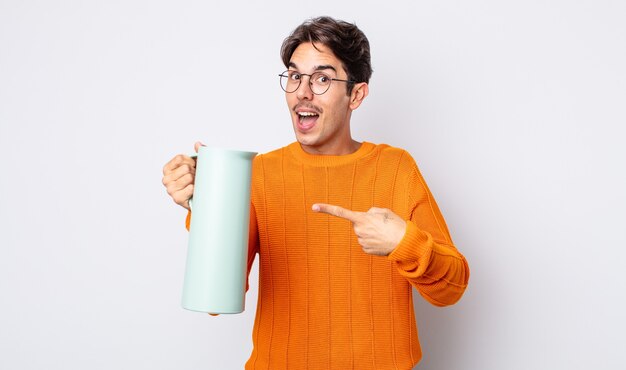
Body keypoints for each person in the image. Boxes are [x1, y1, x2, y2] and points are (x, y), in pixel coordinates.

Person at [162, 16, 469, 370]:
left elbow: (452, 289)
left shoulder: (396, 169)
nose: (302, 92)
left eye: (322, 78)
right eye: (295, 76)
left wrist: (405, 243)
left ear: (356, 94)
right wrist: (206, 207)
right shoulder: (259, 173)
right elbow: (215, 300)